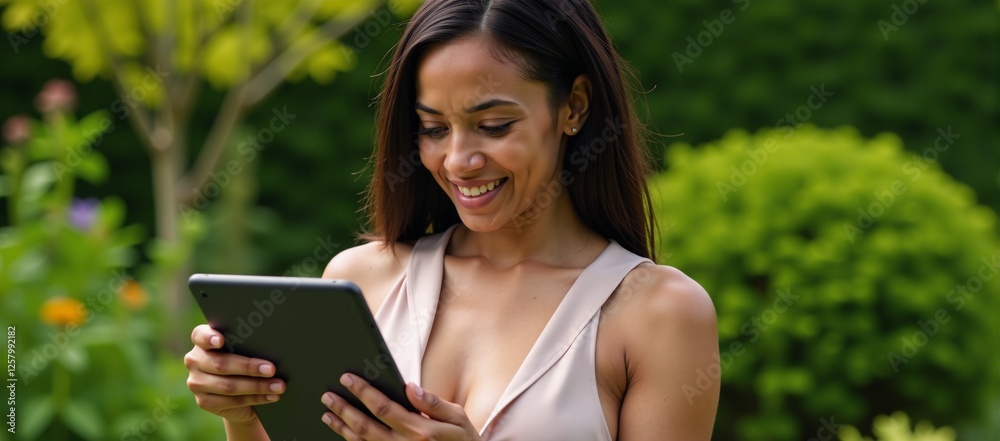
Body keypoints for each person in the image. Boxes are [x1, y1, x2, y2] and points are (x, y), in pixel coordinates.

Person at [184, 0, 720, 439]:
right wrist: (244, 414)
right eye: (434, 129)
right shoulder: (363, 281)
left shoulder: (659, 315)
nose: (459, 161)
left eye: (492, 125)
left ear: (574, 107)